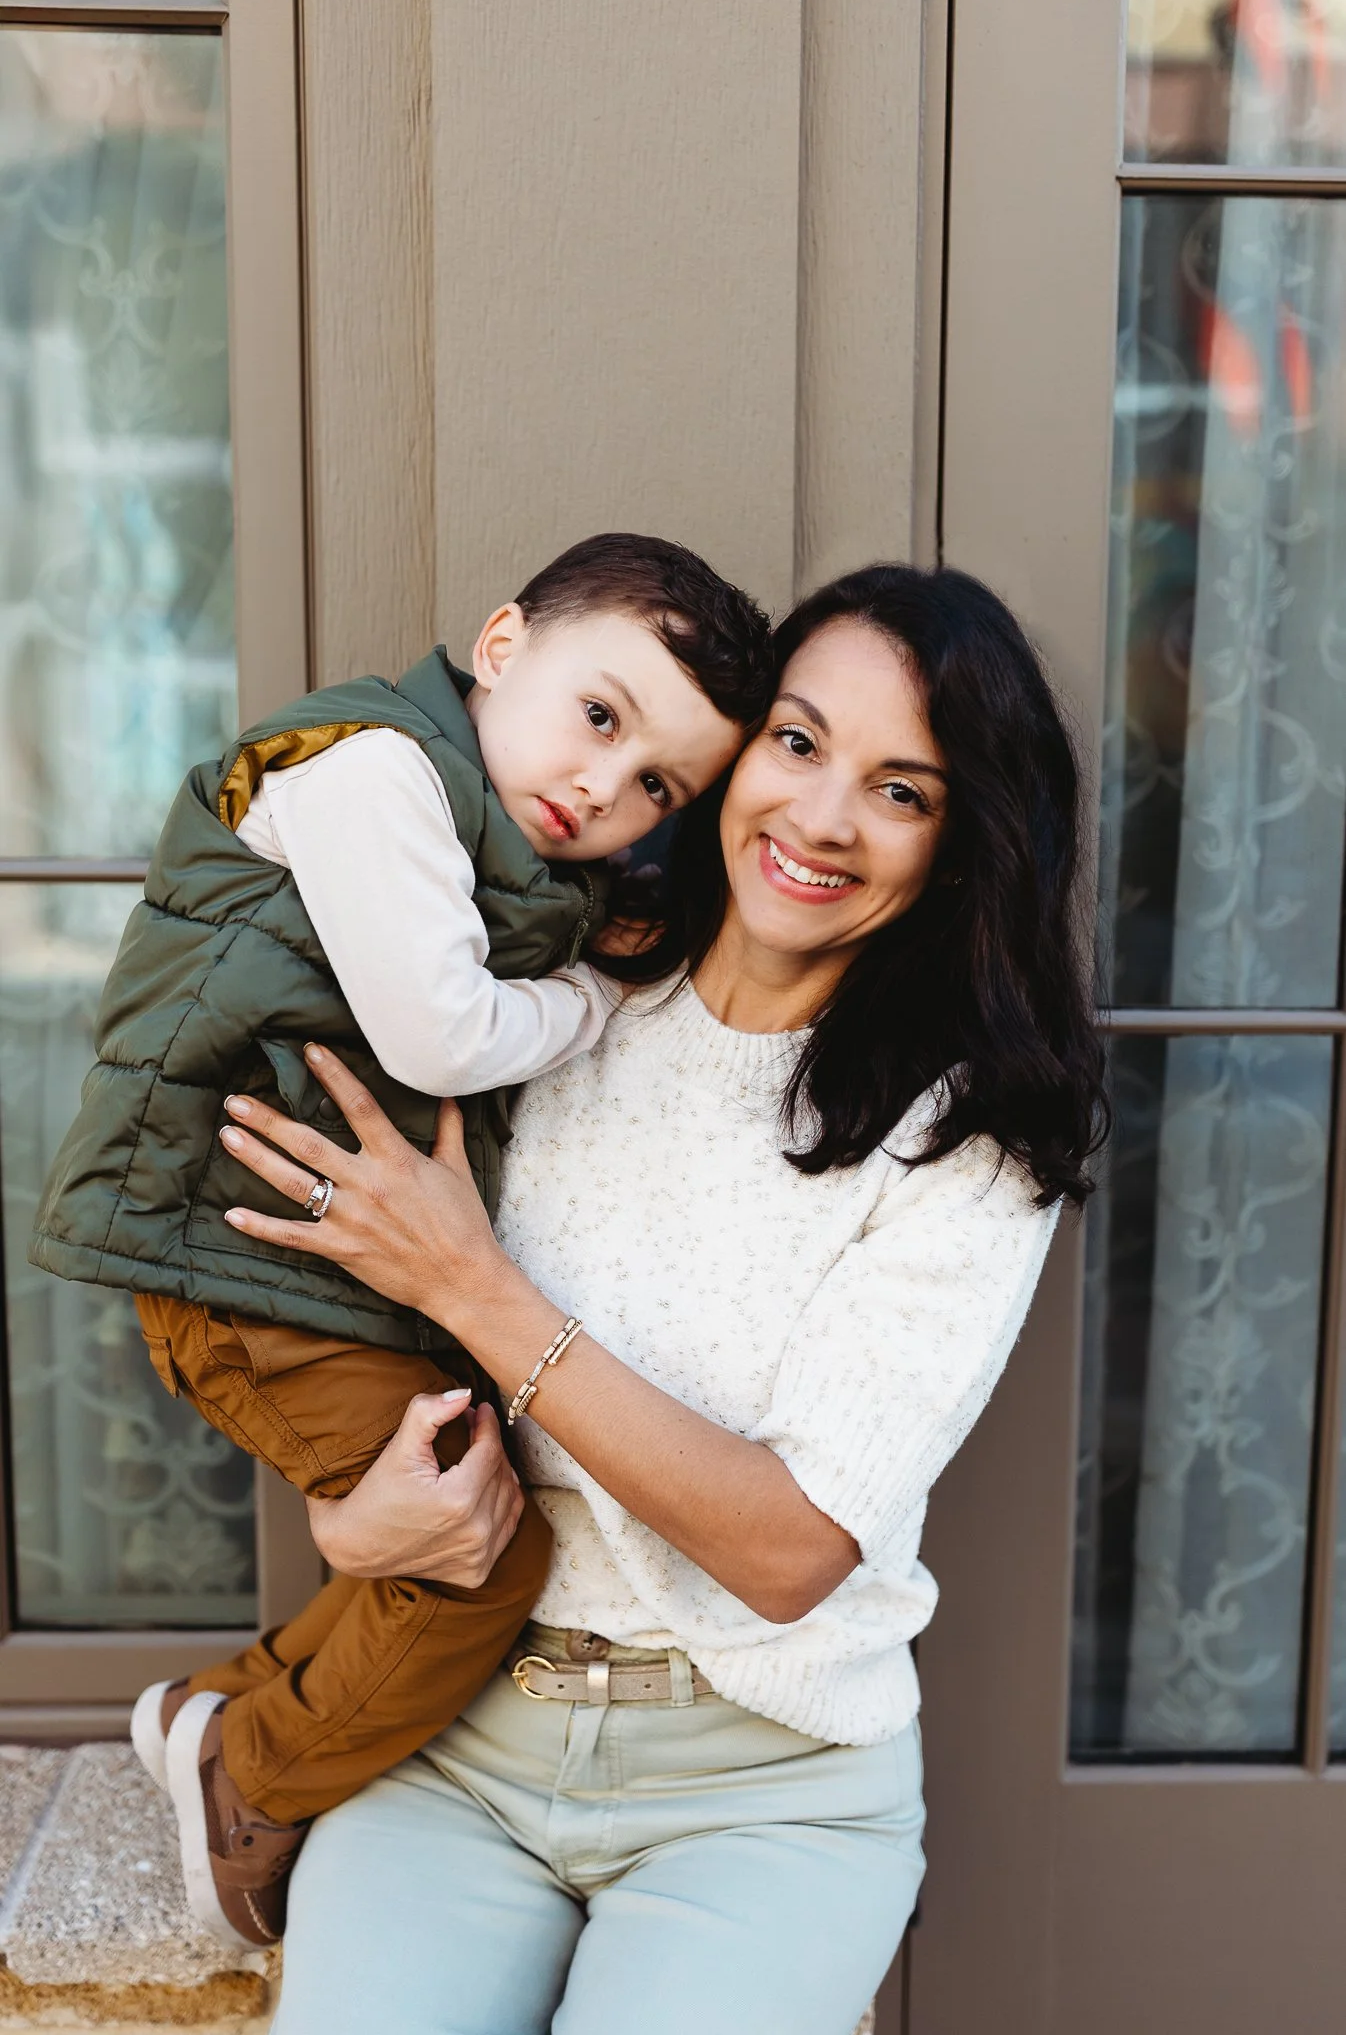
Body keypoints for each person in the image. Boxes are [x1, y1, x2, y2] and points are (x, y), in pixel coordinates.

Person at [213, 562, 1108, 2035]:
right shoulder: (542, 999)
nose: (819, 821)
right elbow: (354, 1352)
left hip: (766, 1793)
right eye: (799, 744)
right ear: (733, 753)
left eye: (901, 791)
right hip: (452, 1733)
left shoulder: (965, 1142)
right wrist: (345, 1517)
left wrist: (481, 1291)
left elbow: (790, 1549)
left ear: (959, 844)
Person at [27, 533, 774, 1949]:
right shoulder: (374, 772)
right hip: (235, 1262)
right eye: (599, 717)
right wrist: (593, 1007)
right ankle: (253, 1775)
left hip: (304, 1269)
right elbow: (441, 1031)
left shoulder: (475, 831)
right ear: (501, 648)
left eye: (655, 786)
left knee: (457, 1510)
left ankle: (219, 1714)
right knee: (478, 1566)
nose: (602, 789)